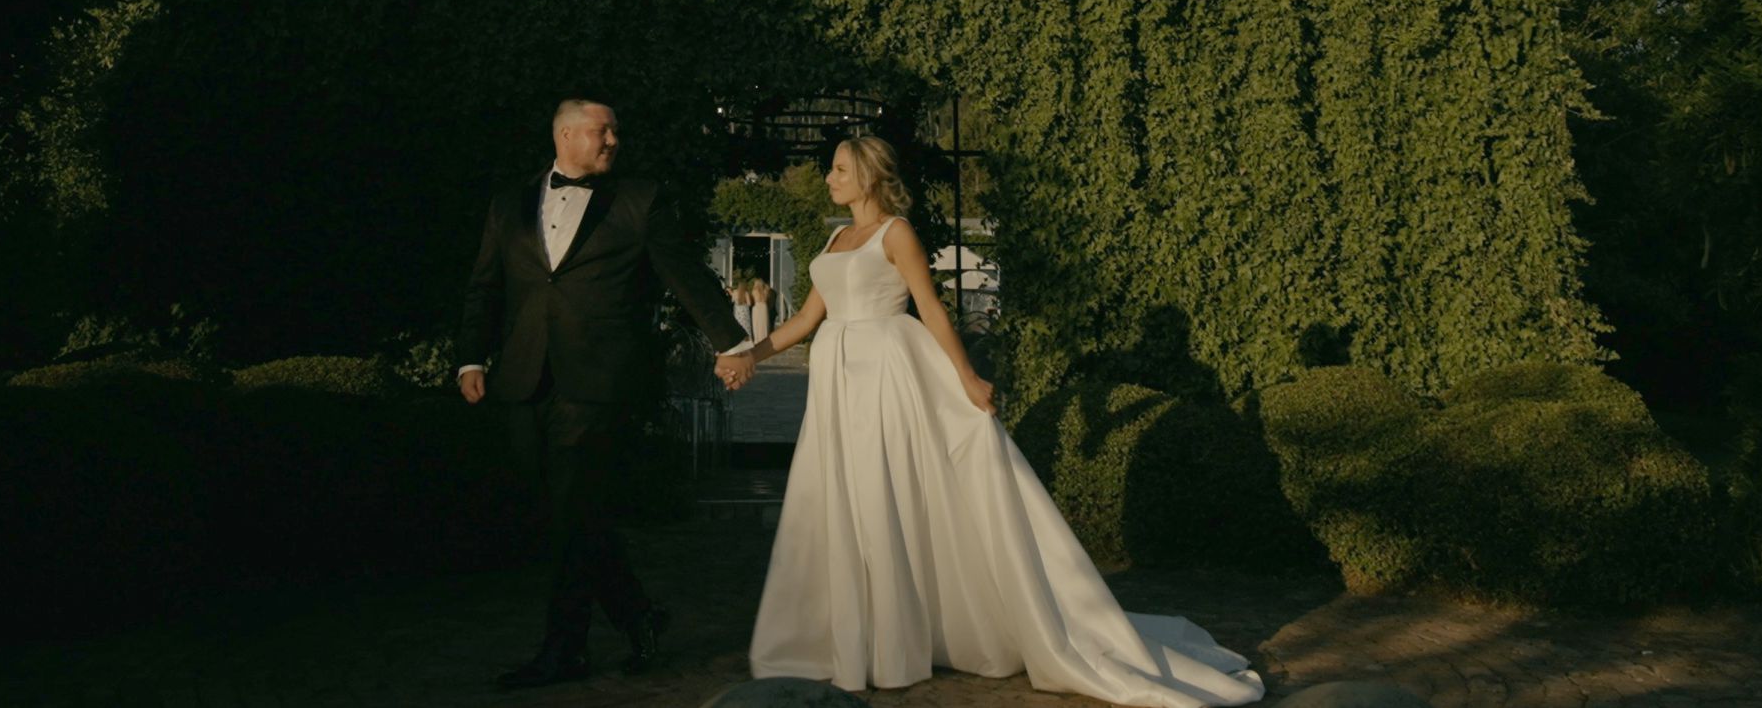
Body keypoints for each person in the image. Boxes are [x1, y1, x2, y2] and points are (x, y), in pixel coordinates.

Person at [743, 137, 1266, 706]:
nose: (828, 178)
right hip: (838, 384)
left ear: (868, 175)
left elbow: (931, 308)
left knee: (881, 496)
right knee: (845, 501)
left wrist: (967, 377)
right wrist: (750, 355)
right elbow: (806, 320)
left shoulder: (897, 234)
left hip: (886, 378)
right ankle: (857, 638)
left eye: (839, 169)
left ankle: (894, 644)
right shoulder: (834, 238)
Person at [457, 98, 757, 689]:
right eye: (604, 130)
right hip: (522, 375)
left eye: (616, 130)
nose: (615, 140)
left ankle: (564, 651)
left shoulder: (638, 200)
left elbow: (684, 274)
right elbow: (485, 285)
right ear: (566, 135)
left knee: (572, 509)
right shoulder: (509, 203)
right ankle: (637, 613)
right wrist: (471, 356)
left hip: (598, 382)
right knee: (564, 515)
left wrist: (732, 343)